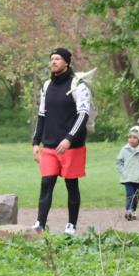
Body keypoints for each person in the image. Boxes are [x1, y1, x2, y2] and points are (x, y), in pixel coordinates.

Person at [31, 47, 91, 235]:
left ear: (67, 62)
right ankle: (40, 223)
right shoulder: (46, 86)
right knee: (46, 183)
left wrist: (68, 139)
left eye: (57, 58)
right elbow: (41, 115)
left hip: (71, 147)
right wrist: (35, 142)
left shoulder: (77, 86)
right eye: (52, 59)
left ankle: (71, 225)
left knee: (71, 185)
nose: (53, 62)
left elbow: (83, 115)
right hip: (49, 146)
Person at [116, 125, 139, 221]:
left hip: (138, 178)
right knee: (130, 194)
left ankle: (133, 210)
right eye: (130, 137)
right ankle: (128, 210)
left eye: (135, 137)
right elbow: (119, 162)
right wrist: (123, 171)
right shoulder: (124, 150)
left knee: (136, 195)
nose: (132, 139)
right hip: (127, 177)